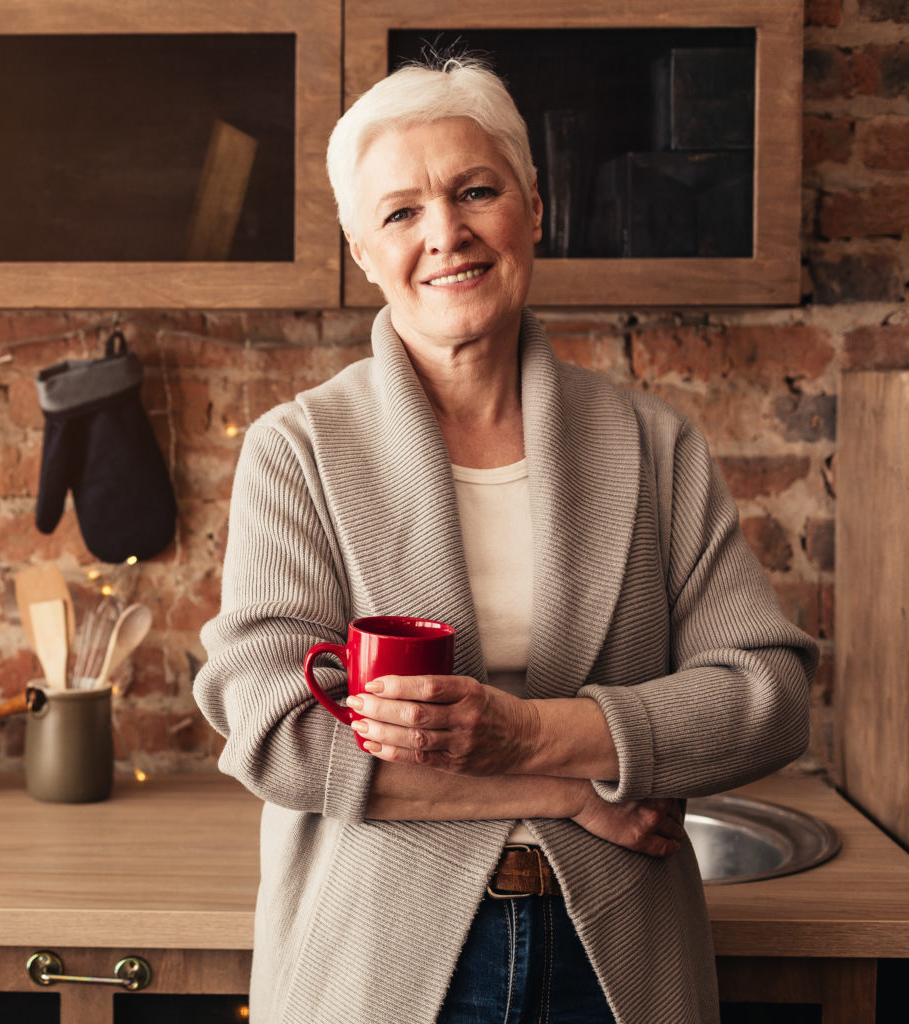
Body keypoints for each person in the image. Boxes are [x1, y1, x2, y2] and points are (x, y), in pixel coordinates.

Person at [194, 55, 816, 1024]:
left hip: (619, 955)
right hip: (380, 959)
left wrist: (531, 731)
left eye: (474, 190)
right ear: (362, 249)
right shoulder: (299, 451)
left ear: (531, 205)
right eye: (401, 212)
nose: (446, 234)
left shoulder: (653, 444)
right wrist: (563, 790)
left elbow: (767, 695)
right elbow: (279, 731)